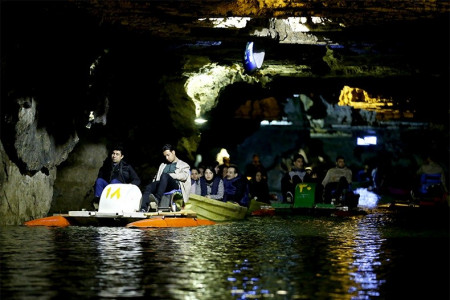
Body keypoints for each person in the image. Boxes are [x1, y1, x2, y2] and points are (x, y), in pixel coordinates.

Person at [140, 144, 191, 211]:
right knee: (149, 186)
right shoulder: (163, 165)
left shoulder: (183, 165)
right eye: (165, 156)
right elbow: (156, 178)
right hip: (162, 185)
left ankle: (157, 200)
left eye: (168, 155)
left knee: (165, 175)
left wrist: (171, 175)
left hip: (174, 185)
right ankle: (143, 208)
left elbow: (184, 176)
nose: (166, 158)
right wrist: (153, 185)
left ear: (173, 152)